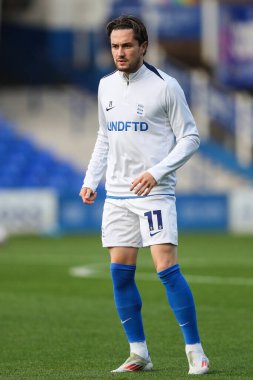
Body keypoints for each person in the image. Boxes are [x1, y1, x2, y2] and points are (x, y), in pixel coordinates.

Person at [79, 15, 209, 375]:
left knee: (166, 269)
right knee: (120, 275)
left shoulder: (166, 86)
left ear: (143, 46)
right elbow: (104, 137)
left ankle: (195, 351)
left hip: (154, 193)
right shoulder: (106, 86)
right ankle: (139, 354)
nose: (120, 53)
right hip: (118, 195)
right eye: (114, 46)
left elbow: (191, 138)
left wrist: (157, 172)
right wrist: (93, 178)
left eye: (127, 45)